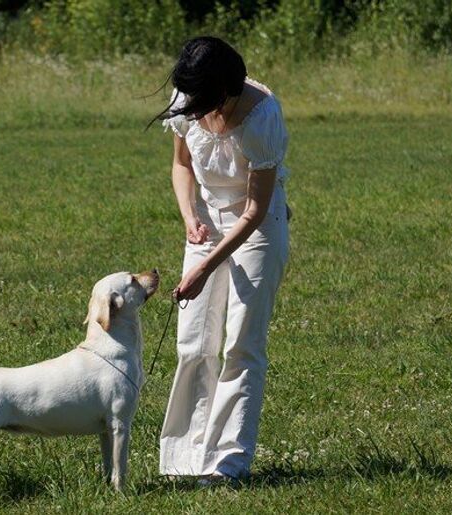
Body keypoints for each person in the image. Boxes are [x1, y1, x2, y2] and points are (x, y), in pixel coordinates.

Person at [153, 36, 290, 483]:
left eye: (200, 99)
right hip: (207, 223)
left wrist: (206, 265)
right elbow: (182, 166)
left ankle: (227, 464)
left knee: (240, 345)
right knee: (193, 343)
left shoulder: (260, 118)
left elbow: (254, 211)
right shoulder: (191, 96)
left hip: (256, 228)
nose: (190, 108)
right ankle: (183, 460)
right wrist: (189, 216)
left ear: (223, 90)